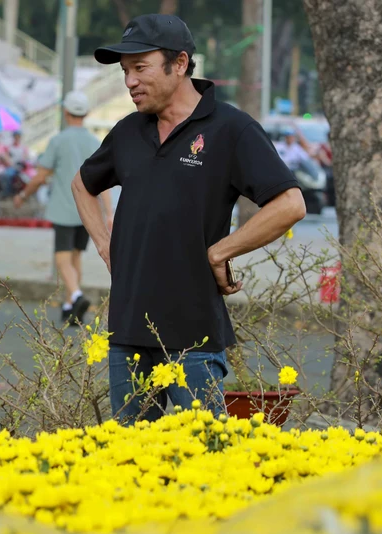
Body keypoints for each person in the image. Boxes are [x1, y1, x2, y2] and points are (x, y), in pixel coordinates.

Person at [73, 14, 306, 422]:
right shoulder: (128, 131)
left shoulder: (231, 129)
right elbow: (82, 184)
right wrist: (106, 244)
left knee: (205, 451)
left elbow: (290, 204)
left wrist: (221, 252)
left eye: (140, 68)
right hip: (126, 331)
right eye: (126, 71)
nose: (129, 81)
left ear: (179, 64)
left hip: (193, 336)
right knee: (128, 458)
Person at [14, 91, 113, 326]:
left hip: (64, 208)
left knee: (62, 259)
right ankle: (70, 307)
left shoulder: (58, 141)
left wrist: (22, 195)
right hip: (88, 212)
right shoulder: (93, 142)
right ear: (86, 113)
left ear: (66, 112)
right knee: (76, 257)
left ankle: (76, 295)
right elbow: (105, 182)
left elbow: (40, 176)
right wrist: (108, 213)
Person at [0, 132, 30, 197]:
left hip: (21, 167)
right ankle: (8, 193)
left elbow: (26, 157)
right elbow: (5, 157)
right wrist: (9, 162)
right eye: (15, 136)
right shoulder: (9, 147)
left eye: (18, 136)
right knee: (7, 175)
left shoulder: (23, 148)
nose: (17, 138)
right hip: (12, 167)